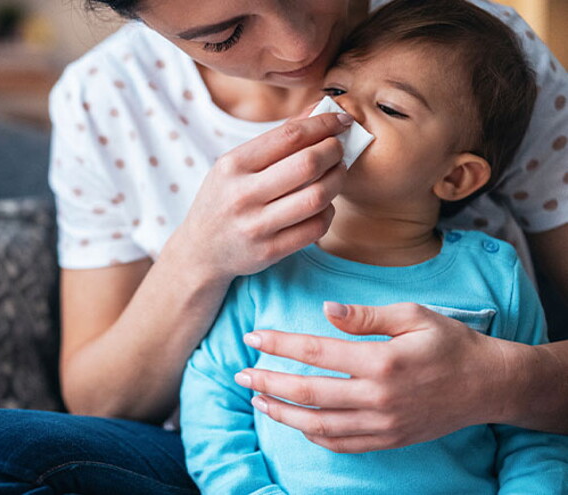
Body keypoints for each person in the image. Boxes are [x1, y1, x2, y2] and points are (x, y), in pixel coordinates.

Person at [0, 0, 565, 492]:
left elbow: (535, 445)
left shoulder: (476, 57)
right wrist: (201, 255)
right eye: (226, 33)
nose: (303, 47)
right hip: (238, 462)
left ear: (459, 175)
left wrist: (502, 381)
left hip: (468, 467)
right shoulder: (105, 101)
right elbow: (113, 403)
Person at [179, 1, 568, 493]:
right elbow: (213, 395)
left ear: (455, 176)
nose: (342, 112)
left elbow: (534, 436)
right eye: (335, 89)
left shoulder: (495, 277)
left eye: (389, 108)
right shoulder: (270, 262)